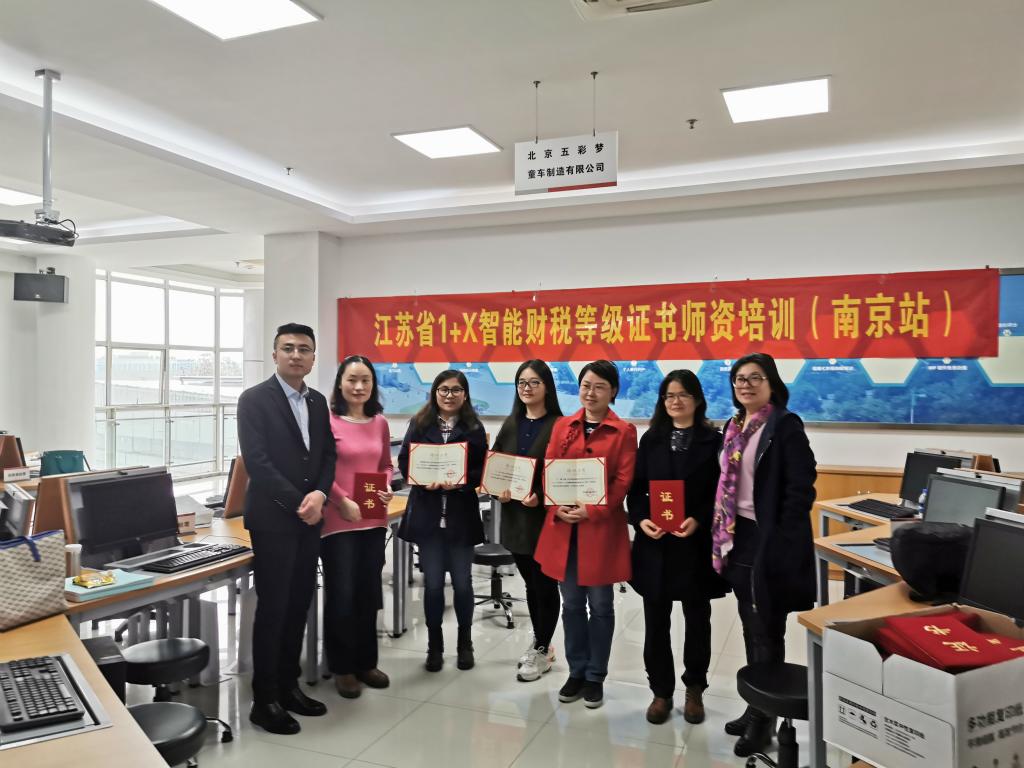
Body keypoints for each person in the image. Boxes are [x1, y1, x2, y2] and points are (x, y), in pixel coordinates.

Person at [711, 352, 817, 757]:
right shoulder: (733, 425)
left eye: (755, 377)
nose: (745, 385)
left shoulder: (784, 425)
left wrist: (780, 537)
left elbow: (801, 487)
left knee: (767, 626)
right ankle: (757, 703)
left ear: (771, 383)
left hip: (768, 538)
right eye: (739, 378)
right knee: (750, 622)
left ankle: (764, 720)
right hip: (738, 534)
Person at [237, 322, 336, 735]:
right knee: (274, 607)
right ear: (275, 354)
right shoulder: (254, 400)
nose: (296, 355)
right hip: (274, 519)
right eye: (288, 348)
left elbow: (327, 454)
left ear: (313, 358)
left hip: (310, 518)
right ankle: (264, 700)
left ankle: (288, 686)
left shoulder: (316, 401)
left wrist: (321, 495)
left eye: (304, 349)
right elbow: (257, 463)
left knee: (299, 604)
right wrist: (302, 501)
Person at [534, 359, 637, 709]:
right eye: (586, 386)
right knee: (573, 604)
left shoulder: (623, 431)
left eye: (599, 387)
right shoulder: (563, 425)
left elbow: (623, 481)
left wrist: (593, 511)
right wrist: (555, 506)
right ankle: (576, 670)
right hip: (564, 529)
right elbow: (549, 470)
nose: (591, 393)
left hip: (601, 531)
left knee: (601, 605)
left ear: (613, 391)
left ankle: (596, 675)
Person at [627, 369, 727, 725]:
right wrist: (641, 519)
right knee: (656, 622)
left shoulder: (714, 441)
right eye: (669, 395)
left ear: (697, 399)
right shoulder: (651, 439)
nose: (676, 401)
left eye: (683, 394)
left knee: (697, 620)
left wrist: (699, 518)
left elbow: (721, 491)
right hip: (655, 544)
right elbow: (637, 489)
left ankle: (694, 688)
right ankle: (661, 691)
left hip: (694, 544)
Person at [398, 370, 487, 672]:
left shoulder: (474, 427)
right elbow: (405, 461)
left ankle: (465, 643)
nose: (449, 395)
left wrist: (460, 482)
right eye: (444, 389)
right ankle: (434, 646)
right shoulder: (419, 424)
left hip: (461, 516)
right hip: (428, 516)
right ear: (435, 392)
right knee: (433, 585)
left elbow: (482, 469)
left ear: (465, 394)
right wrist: (424, 481)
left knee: (463, 583)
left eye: (456, 390)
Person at [321, 355, 394, 699]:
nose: (359, 386)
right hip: (338, 522)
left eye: (365, 380)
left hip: (372, 520)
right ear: (340, 383)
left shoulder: (380, 422)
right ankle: (342, 667)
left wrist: (386, 485)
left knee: (368, 593)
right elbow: (319, 470)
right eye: (352, 380)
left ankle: (366, 662)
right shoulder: (327, 421)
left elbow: (385, 464)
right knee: (342, 594)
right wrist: (341, 500)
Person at [490, 359, 563, 683]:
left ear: (547, 387)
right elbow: (496, 466)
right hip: (515, 520)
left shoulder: (560, 425)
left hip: (544, 520)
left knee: (545, 585)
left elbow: (565, 473)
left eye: (534, 382)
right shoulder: (511, 423)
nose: (527, 388)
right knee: (531, 585)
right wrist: (498, 490)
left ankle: (543, 647)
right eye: (522, 382)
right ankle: (541, 641)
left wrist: (542, 495)